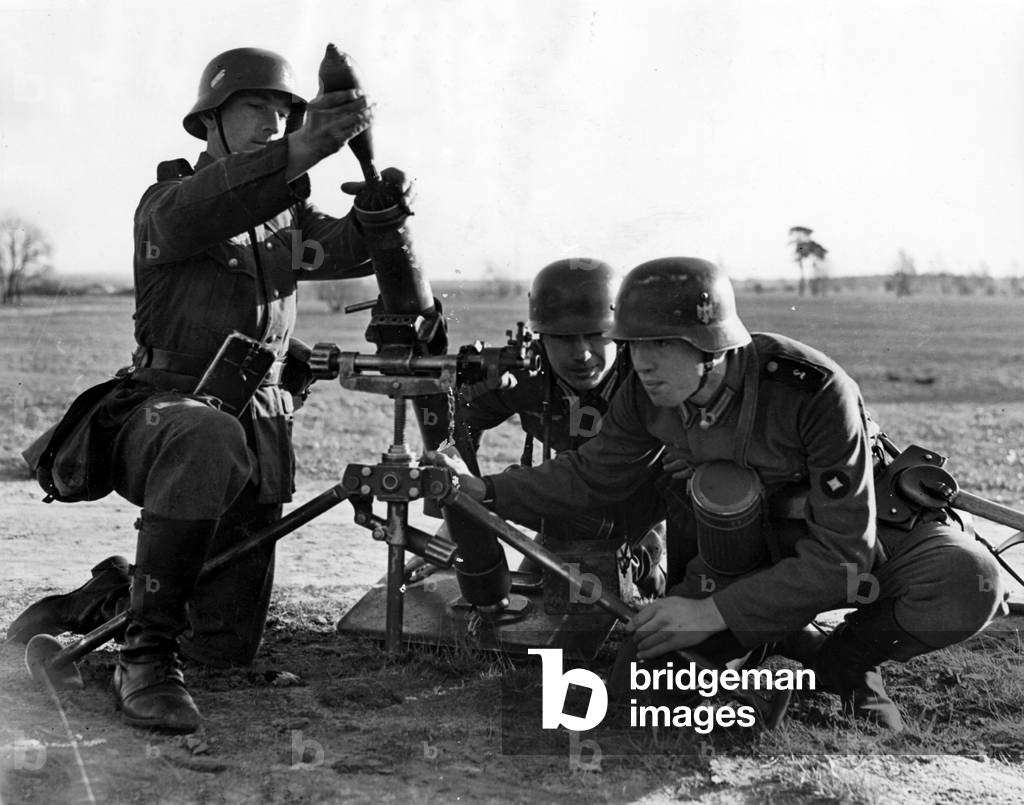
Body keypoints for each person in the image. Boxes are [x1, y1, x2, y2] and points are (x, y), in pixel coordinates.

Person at [8, 47, 406, 732]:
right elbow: (211, 208)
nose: (271, 123)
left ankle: (110, 597)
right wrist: (307, 148)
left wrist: (380, 214)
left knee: (223, 647)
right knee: (205, 429)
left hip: (256, 428)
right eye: (254, 107)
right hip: (165, 419)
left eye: (282, 112)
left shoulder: (283, 218)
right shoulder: (168, 204)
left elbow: (344, 249)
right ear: (209, 121)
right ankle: (144, 655)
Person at [432, 257, 1005, 730]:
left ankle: (846, 664)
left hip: (849, 537)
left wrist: (707, 613)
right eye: (634, 344)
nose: (641, 363)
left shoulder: (814, 391)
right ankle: (782, 641)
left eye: (661, 343)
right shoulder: (646, 391)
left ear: (710, 346)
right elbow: (591, 475)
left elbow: (841, 556)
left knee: (965, 580)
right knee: (645, 685)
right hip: (742, 550)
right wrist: (487, 490)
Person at [453, 258, 664, 597]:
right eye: (564, 338)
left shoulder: (647, 376)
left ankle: (650, 567)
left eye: (596, 335)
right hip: (565, 506)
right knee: (527, 594)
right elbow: (459, 420)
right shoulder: (525, 372)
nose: (582, 354)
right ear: (540, 338)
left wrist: (484, 492)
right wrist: (459, 522)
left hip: (642, 513)